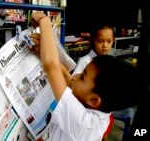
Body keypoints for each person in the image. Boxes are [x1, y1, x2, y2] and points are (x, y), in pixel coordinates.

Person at [29, 11, 143, 141]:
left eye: (83, 76)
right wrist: (42, 50)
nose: (76, 76)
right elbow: (68, 78)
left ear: (94, 100)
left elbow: (51, 66)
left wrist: (44, 21)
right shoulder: (100, 112)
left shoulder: (82, 122)